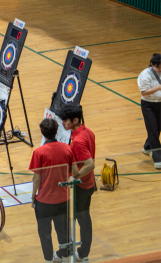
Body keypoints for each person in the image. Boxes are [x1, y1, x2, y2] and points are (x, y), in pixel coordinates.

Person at [29, 118, 78, 263]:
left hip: (44, 201)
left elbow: (37, 178)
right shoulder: (67, 148)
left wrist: (33, 197)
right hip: (63, 198)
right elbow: (74, 171)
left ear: (42, 133)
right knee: (63, 230)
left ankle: (49, 260)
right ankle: (65, 256)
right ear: (57, 131)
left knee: (45, 233)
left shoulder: (39, 152)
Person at [59, 105, 95, 263]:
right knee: (83, 217)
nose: (62, 123)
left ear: (75, 120)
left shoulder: (78, 141)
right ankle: (81, 251)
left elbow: (90, 163)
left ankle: (82, 253)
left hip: (82, 186)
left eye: (65, 121)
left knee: (83, 218)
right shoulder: (87, 132)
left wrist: (75, 177)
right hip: (88, 183)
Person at [138, 53, 161, 169]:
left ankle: (147, 148)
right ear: (152, 64)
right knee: (152, 130)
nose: (160, 69)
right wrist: (158, 88)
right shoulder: (145, 75)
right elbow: (144, 92)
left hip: (160, 103)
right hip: (148, 105)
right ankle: (158, 160)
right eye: (158, 67)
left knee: (157, 128)